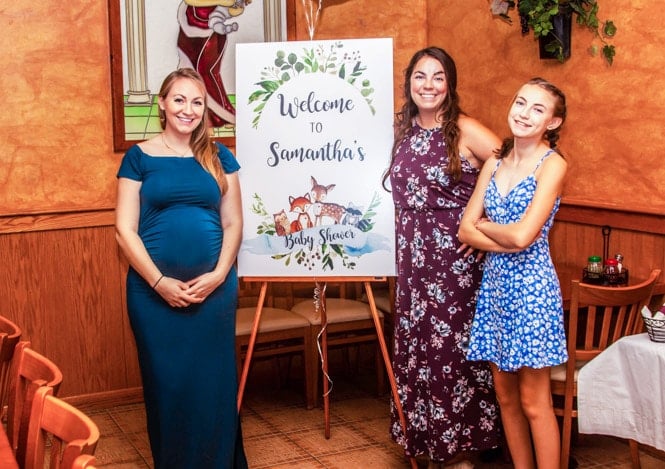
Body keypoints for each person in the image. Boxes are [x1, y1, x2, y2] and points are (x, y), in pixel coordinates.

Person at [115, 68, 247, 468]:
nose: (188, 109)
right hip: (152, 297)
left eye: (196, 101)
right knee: (167, 387)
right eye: (179, 100)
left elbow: (234, 223)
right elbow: (124, 229)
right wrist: (159, 283)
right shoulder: (138, 158)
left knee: (214, 385)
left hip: (215, 293)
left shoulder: (220, 155)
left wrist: (220, 274)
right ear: (162, 103)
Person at [385, 46, 503, 468]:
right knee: (417, 347)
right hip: (412, 262)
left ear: (449, 84)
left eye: (438, 77)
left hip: (454, 263)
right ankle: (429, 441)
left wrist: (484, 224)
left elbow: (512, 169)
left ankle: (462, 450)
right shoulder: (404, 128)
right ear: (409, 82)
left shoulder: (465, 129)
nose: (428, 85)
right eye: (420, 76)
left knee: (453, 354)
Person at [458, 77, 569, 469]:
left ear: (552, 123)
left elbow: (523, 237)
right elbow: (462, 229)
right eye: (521, 103)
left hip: (533, 290)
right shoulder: (494, 161)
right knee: (505, 397)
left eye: (537, 109)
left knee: (534, 403)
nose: (524, 113)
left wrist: (486, 228)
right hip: (496, 288)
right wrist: (495, 233)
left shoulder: (552, 164)